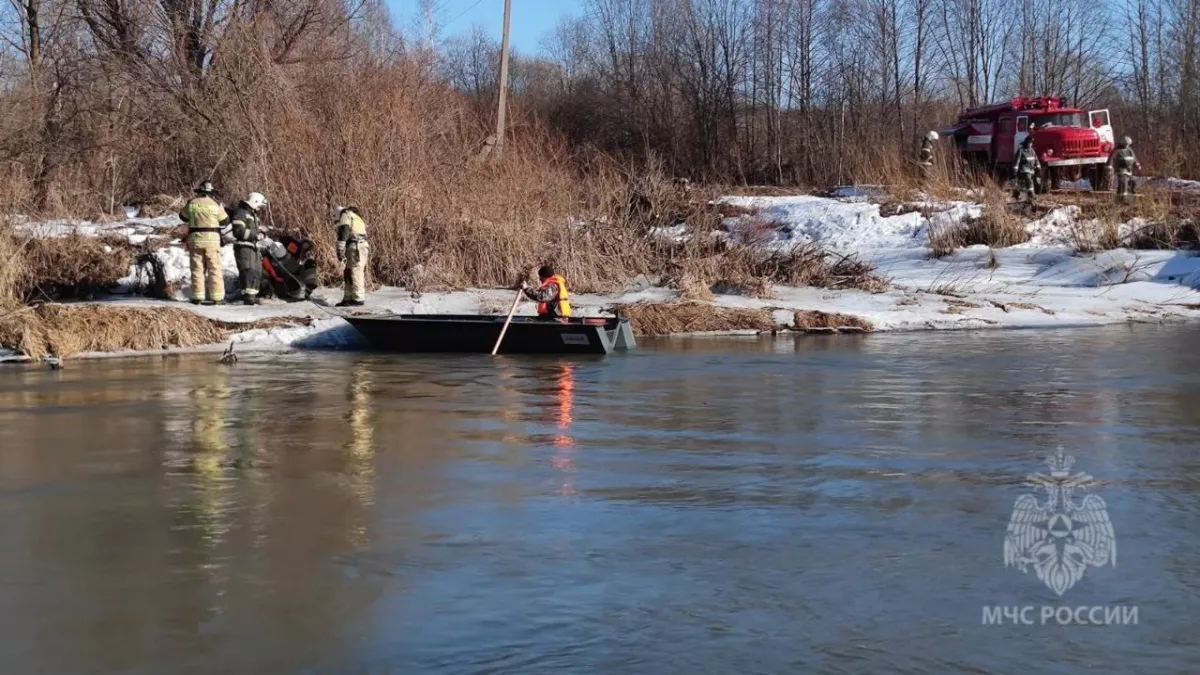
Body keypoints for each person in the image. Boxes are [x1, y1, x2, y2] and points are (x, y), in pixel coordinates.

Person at [180, 181, 229, 305]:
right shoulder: (216, 204)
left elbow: (183, 217)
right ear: (211, 192)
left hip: (195, 240)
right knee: (215, 269)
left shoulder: (192, 203)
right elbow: (225, 221)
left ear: (199, 191)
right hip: (212, 241)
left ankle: (198, 297)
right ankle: (217, 298)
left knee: (197, 269)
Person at [230, 192, 268, 305]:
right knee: (248, 271)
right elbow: (238, 231)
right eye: (259, 205)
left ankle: (252, 297)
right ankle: (248, 298)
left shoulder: (252, 215)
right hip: (244, 248)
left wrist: (260, 234)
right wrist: (255, 235)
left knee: (256, 271)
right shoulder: (242, 213)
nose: (259, 208)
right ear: (254, 201)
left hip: (252, 248)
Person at [333, 205, 368, 307]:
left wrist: (339, 250)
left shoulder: (345, 215)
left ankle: (358, 299)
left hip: (356, 247)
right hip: (357, 246)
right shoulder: (355, 217)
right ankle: (348, 298)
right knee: (348, 272)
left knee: (355, 271)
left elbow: (343, 234)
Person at [1112, 136, 1141, 202]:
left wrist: (1137, 164)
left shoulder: (1130, 150)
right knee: (1123, 184)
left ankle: (1131, 198)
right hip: (1121, 171)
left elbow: (1134, 158)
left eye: (1128, 144)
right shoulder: (1117, 150)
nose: (1127, 146)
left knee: (1133, 183)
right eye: (1125, 144)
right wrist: (1110, 167)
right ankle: (1122, 200)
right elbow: (1111, 159)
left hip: (1129, 171)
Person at [1014, 136, 1040, 203]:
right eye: (1029, 143)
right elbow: (1017, 161)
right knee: (1029, 181)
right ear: (1026, 142)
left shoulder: (1032, 151)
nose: (1030, 144)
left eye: (1031, 143)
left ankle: (1017, 194)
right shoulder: (1021, 150)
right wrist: (1015, 169)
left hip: (1031, 170)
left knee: (1024, 184)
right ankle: (1032, 195)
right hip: (1024, 170)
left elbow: (1036, 159)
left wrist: (1038, 166)